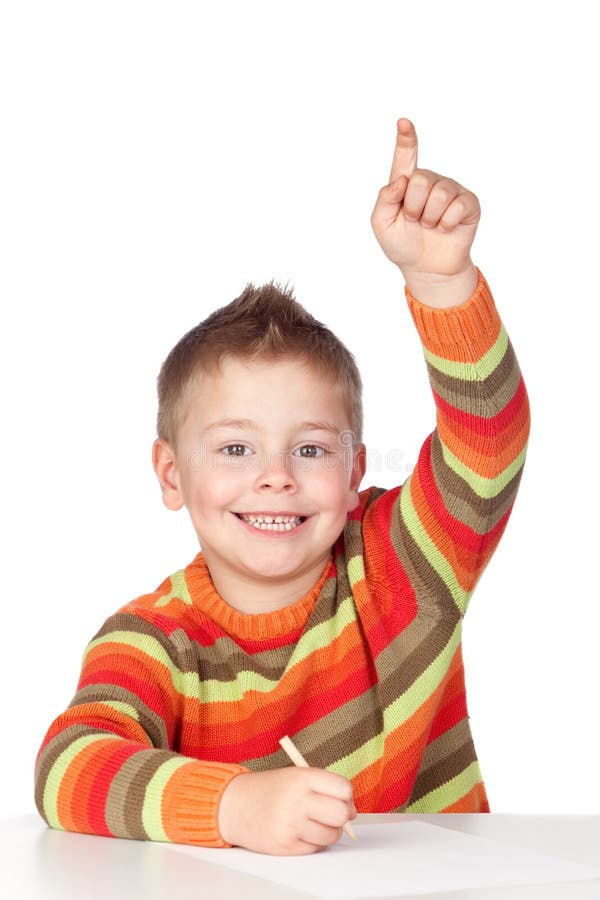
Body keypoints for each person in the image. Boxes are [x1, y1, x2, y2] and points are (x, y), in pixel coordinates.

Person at [34, 118, 530, 856]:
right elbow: (67, 768)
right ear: (172, 474)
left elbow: (486, 447)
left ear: (356, 470)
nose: (276, 476)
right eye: (237, 447)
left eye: (310, 448)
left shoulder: (399, 566)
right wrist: (232, 805)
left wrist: (440, 281)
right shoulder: (153, 639)